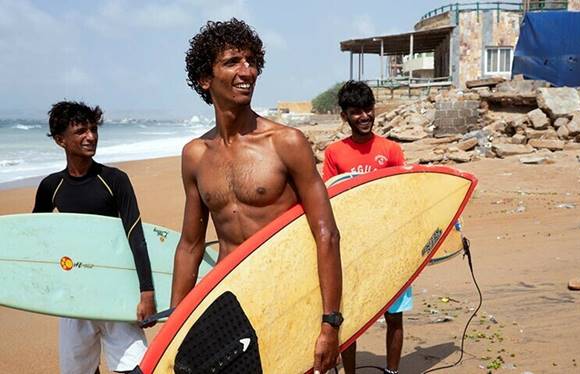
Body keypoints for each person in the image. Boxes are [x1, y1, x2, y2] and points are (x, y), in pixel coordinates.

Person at [170, 18, 343, 373]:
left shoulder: (286, 143)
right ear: (205, 78)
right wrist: (175, 325)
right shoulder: (195, 156)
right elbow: (190, 246)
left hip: (290, 292)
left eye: (251, 62)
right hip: (233, 298)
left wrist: (330, 322)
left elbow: (326, 233)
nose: (246, 71)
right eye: (232, 62)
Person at [32, 101, 156, 374]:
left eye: (93, 129)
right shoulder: (51, 186)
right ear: (60, 140)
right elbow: (37, 240)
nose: (90, 136)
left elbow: (135, 234)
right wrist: (41, 292)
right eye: (80, 131)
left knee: (134, 367)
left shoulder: (114, 180)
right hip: (74, 294)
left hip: (116, 289)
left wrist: (146, 291)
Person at [322, 81, 411, 374]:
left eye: (368, 109)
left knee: (394, 315)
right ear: (345, 116)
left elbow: (404, 195)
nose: (364, 116)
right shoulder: (335, 153)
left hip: (391, 245)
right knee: (348, 318)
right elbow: (331, 198)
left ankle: (392, 371)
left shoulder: (391, 150)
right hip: (353, 248)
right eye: (355, 111)